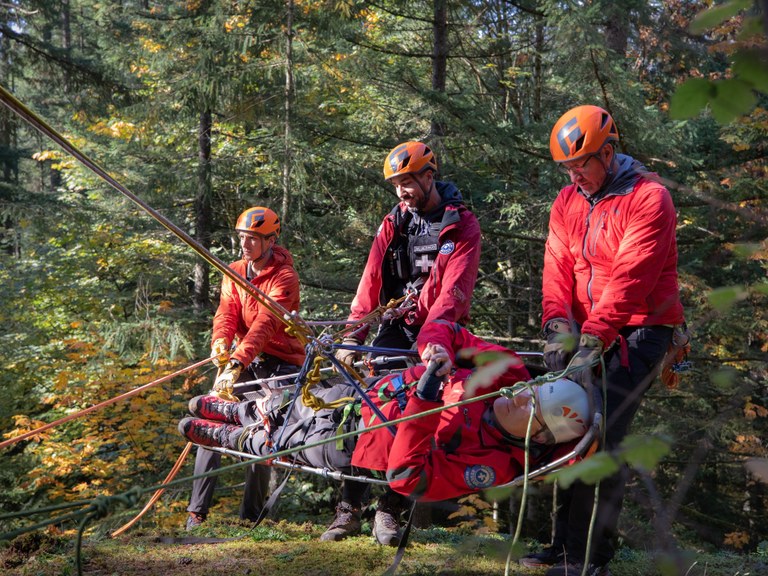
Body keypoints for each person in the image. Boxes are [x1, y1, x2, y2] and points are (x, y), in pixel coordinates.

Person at [524, 105, 686, 576]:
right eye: (568, 169)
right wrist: (557, 325)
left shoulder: (649, 198)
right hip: (587, 330)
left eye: (583, 166)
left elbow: (630, 279)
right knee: (565, 427)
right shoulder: (567, 201)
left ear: (609, 154)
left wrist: (593, 338)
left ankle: (588, 557)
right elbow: (556, 268)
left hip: (640, 330)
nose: (576, 177)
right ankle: (561, 544)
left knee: (602, 434)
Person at [178, 321, 591, 504]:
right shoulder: (508, 371)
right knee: (285, 405)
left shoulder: (491, 464)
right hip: (366, 394)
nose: (520, 394)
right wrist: (435, 346)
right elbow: (451, 329)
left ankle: (228, 436)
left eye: (531, 404)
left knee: (276, 441)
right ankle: (234, 410)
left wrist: (426, 400)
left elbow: (407, 479)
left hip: (358, 444)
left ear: (537, 437)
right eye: (532, 388)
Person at [330, 141, 482, 545]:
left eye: (409, 181)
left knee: (416, 421)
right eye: (397, 184)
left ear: (430, 176)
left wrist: (434, 341)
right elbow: (371, 283)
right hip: (396, 327)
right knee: (370, 410)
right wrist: (353, 335)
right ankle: (349, 508)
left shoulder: (460, 224)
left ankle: (390, 511)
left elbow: (455, 291)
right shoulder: (394, 223)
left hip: (439, 332)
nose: (402, 190)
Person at [185, 206, 305, 530]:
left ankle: (250, 517)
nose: (245, 244)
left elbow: (267, 323)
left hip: (279, 363)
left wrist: (237, 361)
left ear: (270, 240)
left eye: (253, 238)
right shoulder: (235, 270)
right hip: (243, 359)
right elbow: (227, 312)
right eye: (242, 237)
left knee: (261, 428)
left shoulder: (285, 277)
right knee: (210, 416)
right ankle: (196, 513)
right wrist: (220, 344)